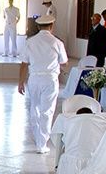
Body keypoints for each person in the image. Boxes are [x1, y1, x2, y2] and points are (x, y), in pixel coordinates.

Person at [17, 14, 68, 153]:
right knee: (48, 110)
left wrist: (21, 82)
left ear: (38, 26)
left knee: (35, 108)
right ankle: (42, 143)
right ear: (52, 26)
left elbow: (23, 64)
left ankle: (39, 138)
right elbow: (64, 62)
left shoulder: (30, 42)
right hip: (50, 79)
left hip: (34, 78)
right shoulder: (57, 42)